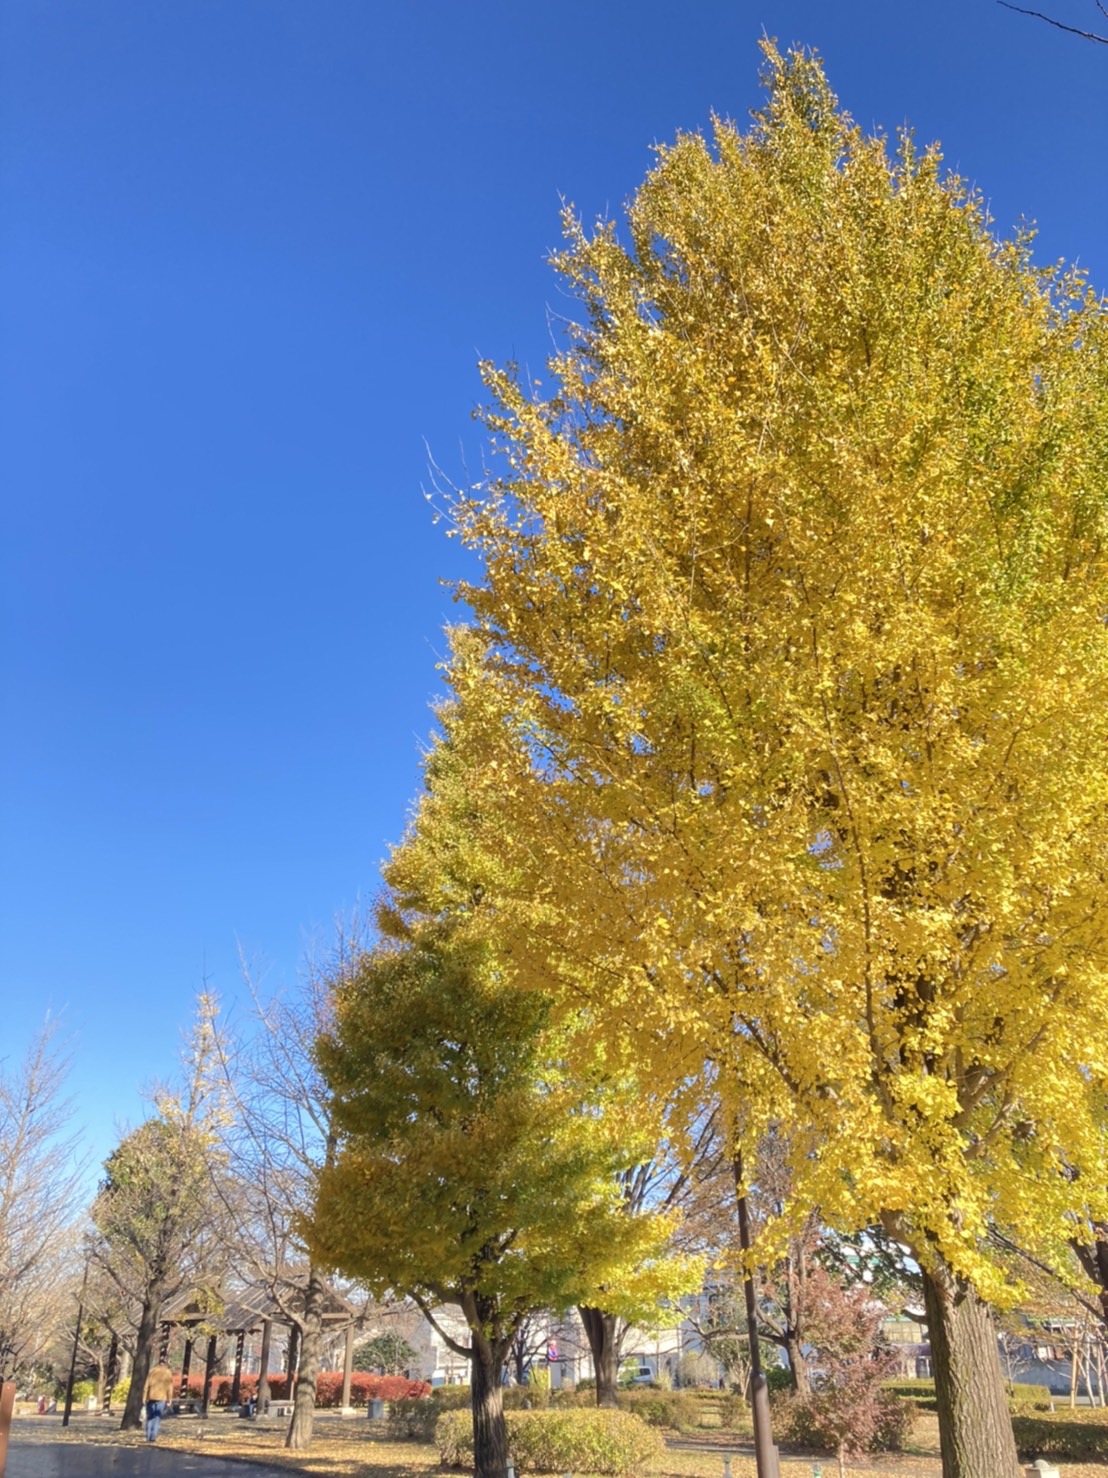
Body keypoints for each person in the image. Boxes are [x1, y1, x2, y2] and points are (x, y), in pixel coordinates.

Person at [142, 1361, 175, 1443]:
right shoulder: (168, 1373)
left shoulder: (152, 1371)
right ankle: (153, 1436)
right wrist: (169, 1400)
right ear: (165, 1365)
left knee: (150, 1417)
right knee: (157, 1418)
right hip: (162, 1398)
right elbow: (170, 1388)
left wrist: (144, 1398)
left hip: (151, 1398)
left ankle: (148, 1436)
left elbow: (146, 1386)